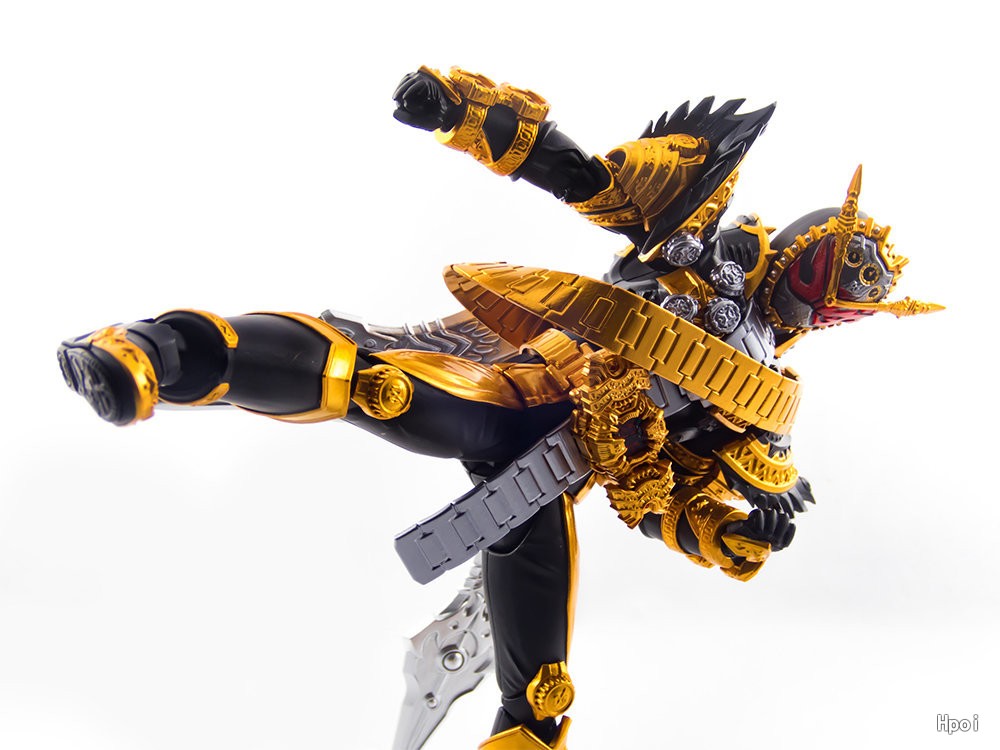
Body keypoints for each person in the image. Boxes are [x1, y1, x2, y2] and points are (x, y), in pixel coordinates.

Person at [59, 65, 940, 750]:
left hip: (547, 482)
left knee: (541, 701)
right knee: (371, 380)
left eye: (841, 308)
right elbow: (585, 179)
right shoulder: (698, 253)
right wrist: (466, 114)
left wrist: (726, 534)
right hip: (515, 384)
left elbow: (666, 502)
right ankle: (157, 353)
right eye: (825, 276)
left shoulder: (757, 409)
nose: (818, 304)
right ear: (803, 244)